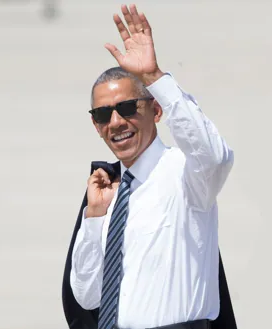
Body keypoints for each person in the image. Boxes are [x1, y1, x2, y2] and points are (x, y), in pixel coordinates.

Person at [62, 4, 237, 329]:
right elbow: (87, 298)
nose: (115, 122)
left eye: (127, 108)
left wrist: (154, 78)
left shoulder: (187, 174)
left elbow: (215, 155)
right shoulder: (106, 191)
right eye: (103, 115)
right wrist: (96, 221)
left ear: (156, 111)